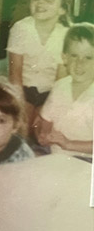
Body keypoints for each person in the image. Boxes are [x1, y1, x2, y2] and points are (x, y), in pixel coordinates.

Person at [7, 0, 71, 133]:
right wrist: (21, 105)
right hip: (24, 90)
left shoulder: (65, 35)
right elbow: (15, 74)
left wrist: (45, 111)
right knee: (20, 127)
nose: (41, 2)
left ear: (62, 9)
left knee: (43, 129)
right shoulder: (21, 29)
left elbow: (60, 82)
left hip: (51, 92)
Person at [36, 23, 94, 158]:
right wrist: (43, 135)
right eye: (74, 56)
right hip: (55, 152)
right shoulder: (59, 86)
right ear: (65, 58)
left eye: (88, 57)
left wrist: (68, 144)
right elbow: (47, 119)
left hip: (86, 159)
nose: (80, 63)